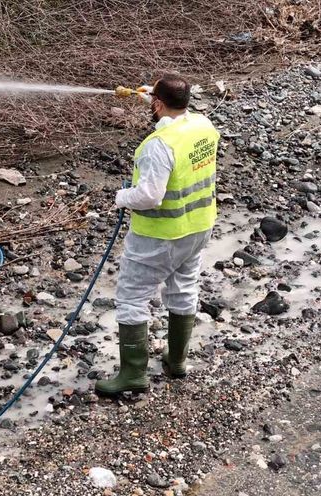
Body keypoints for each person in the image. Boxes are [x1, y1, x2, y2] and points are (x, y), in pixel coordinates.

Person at [95, 75, 220, 396]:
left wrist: (122, 197)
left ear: (159, 105)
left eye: (154, 100)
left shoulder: (158, 146)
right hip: (198, 226)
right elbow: (173, 109)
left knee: (132, 297)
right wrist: (151, 95)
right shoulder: (203, 125)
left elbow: (150, 196)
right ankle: (176, 361)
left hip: (160, 235)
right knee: (183, 288)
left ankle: (133, 374)